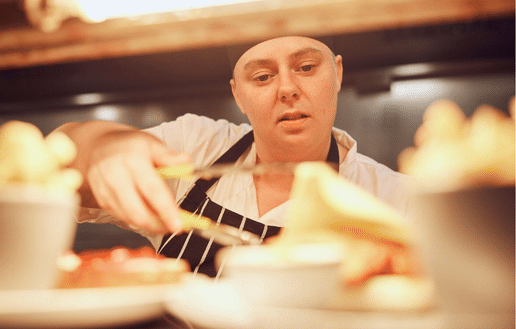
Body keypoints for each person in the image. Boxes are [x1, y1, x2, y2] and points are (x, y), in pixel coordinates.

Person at [55, 36, 415, 284]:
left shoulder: (396, 200)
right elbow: (62, 151)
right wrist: (104, 147)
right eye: (262, 76)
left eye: (305, 67)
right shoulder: (195, 148)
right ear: (238, 95)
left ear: (337, 73)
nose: (287, 88)